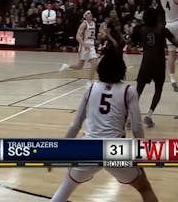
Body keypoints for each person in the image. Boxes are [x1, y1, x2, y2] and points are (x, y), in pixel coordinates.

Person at [49, 53, 158, 202]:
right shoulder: (128, 90)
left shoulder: (91, 88)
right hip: (115, 150)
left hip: (89, 149)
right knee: (145, 188)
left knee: (65, 187)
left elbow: (75, 125)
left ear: (100, 70)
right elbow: (137, 127)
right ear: (122, 70)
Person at [130, 8, 178, 128]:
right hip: (159, 63)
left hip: (146, 62)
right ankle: (148, 117)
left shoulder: (140, 29)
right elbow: (175, 41)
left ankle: (129, 118)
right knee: (158, 89)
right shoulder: (162, 29)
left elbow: (132, 43)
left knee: (138, 90)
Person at [59, 11, 98, 81]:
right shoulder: (83, 24)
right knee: (79, 66)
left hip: (91, 46)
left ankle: (90, 82)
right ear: (85, 17)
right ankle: (67, 66)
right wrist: (84, 44)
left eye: (91, 15)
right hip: (84, 46)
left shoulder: (94, 24)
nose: (90, 16)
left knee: (94, 65)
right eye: (88, 15)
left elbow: (92, 35)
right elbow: (77, 37)